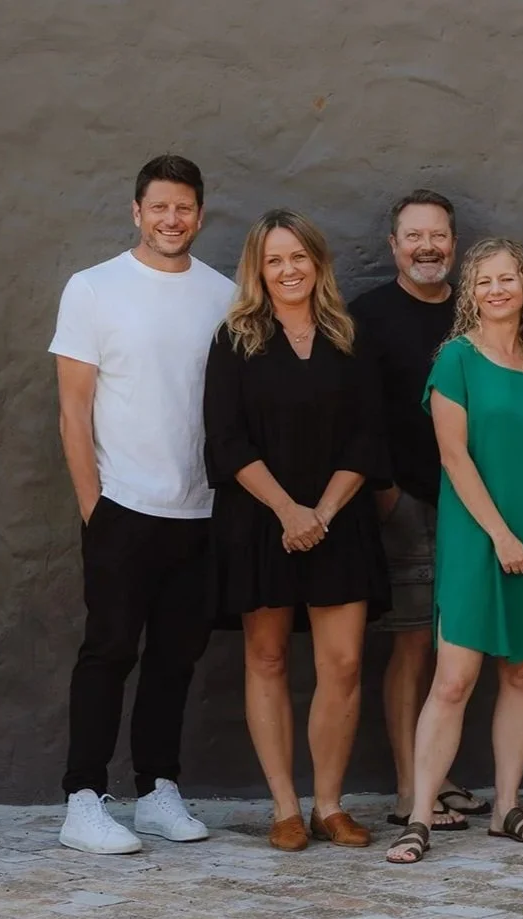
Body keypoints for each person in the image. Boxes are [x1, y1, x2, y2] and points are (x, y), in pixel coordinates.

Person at [50, 154, 234, 855]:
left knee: (175, 660)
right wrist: (94, 507)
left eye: (183, 207)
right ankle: (83, 800)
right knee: (108, 652)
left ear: (199, 214)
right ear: (137, 211)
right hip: (122, 506)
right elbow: (74, 410)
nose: (171, 218)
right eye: (158, 206)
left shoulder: (223, 293)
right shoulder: (94, 289)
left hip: (200, 510)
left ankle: (157, 790)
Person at [385, 238, 523, 864]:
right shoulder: (456, 360)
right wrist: (499, 536)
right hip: (479, 538)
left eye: (508, 280)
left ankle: (505, 808)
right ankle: (418, 815)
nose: (497, 290)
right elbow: (453, 457)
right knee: (454, 679)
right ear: (471, 292)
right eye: (485, 281)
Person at [203, 209, 389, 852]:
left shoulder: (349, 335)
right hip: (262, 520)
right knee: (269, 657)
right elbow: (224, 440)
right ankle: (285, 806)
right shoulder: (235, 339)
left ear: (318, 261)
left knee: (342, 663)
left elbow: (370, 435)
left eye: (298, 257)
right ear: (259, 268)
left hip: (340, 517)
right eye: (274, 259)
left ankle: (329, 805)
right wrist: (288, 512)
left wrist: (324, 514)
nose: (288, 270)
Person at [350, 189, 490, 833]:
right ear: (394, 246)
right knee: (411, 648)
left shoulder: (474, 313)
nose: (427, 247)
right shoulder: (369, 317)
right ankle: (411, 789)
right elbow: (359, 419)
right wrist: (386, 495)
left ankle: (438, 774)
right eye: (414, 236)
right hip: (405, 501)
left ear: (453, 244)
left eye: (438, 236)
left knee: (453, 648)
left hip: (472, 506)